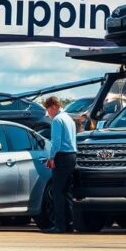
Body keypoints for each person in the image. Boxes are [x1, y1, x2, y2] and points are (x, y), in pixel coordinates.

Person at [43, 95, 77, 233]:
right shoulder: (69, 119)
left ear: (54, 107)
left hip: (62, 156)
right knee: (66, 192)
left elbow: (56, 141)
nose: (48, 113)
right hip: (72, 155)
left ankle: (59, 225)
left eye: (48, 109)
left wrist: (51, 157)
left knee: (57, 192)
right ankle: (69, 224)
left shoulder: (57, 120)